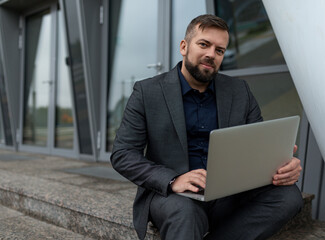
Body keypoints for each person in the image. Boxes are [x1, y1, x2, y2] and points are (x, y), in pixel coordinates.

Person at [111, 14, 303, 240]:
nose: (211, 54)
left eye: (219, 50)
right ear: (184, 47)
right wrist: (173, 180)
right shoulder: (147, 92)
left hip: (229, 192)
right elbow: (123, 154)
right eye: (204, 44)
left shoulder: (239, 91)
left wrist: (282, 164)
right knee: (185, 213)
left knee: (289, 197)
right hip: (174, 196)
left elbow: (256, 145)